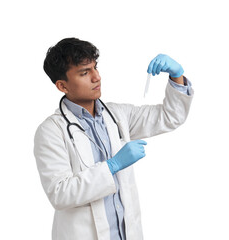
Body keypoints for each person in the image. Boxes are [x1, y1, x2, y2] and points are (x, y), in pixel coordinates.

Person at [34, 37, 194, 240]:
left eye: (94, 68)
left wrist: (176, 75)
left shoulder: (117, 115)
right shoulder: (51, 131)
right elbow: (60, 193)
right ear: (62, 86)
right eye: (84, 73)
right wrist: (112, 166)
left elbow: (169, 117)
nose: (96, 77)